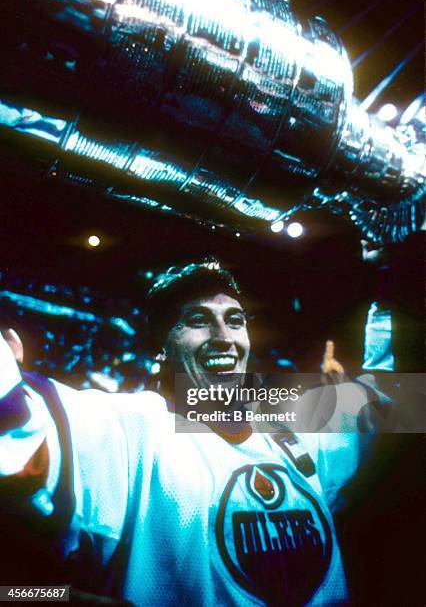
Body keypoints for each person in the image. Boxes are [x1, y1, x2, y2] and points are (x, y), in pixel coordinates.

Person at [0, 258, 393, 606]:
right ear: (160, 347)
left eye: (235, 321)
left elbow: (388, 398)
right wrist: (43, 595)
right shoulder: (128, 427)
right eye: (198, 320)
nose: (224, 337)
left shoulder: (294, 426)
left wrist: (389, 278)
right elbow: (18, 442)